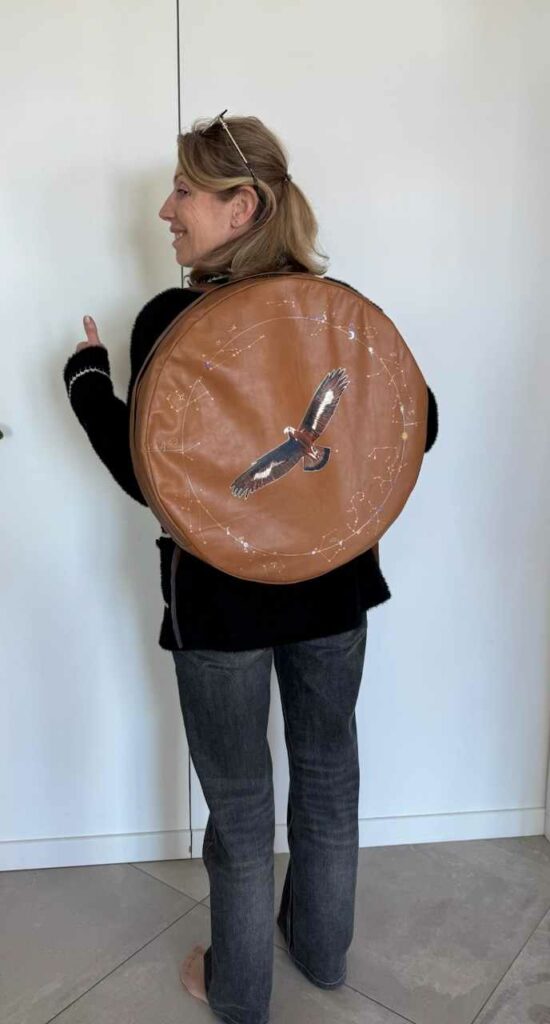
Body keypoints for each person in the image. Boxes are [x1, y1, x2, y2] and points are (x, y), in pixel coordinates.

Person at [63, 111, 439, 1024]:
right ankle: (322, 954)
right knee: (329, 778)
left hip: (221, 610)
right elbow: (419, 425)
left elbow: (147, 478)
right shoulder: (335, 309)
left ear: (242, 207)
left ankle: (238, 991)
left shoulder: (174, 319)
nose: (166, 210)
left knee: (238, 804)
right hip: (335, 595)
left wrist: (86, 381)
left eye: (184, 191)